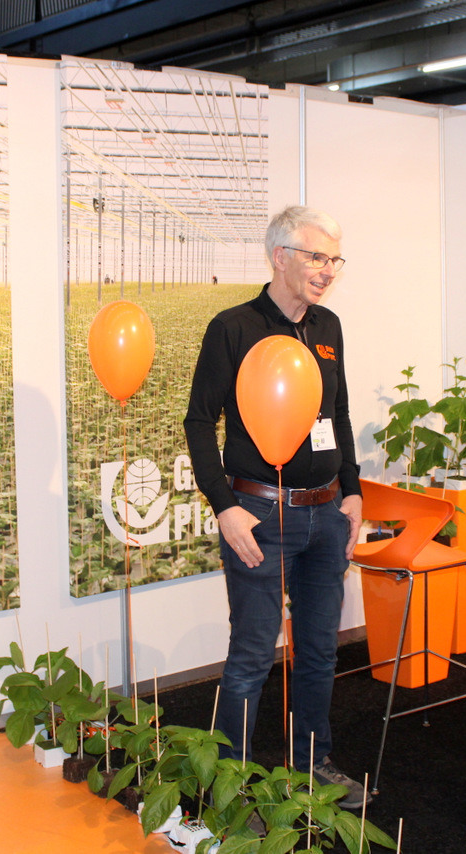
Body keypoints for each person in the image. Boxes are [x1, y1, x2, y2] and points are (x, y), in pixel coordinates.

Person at [183, 205, 367, 809]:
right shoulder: (233, 328)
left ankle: (312, 763)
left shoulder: (329, 326)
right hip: (258, 516)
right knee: (253, 654)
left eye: (334, 259)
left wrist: (353, 490)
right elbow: (198, 422)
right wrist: (224, 507)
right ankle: (228, 787)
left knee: (318, 652)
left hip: (326, 515)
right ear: (280, 256)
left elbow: (338, 414)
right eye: (316, 256)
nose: (327, 270)